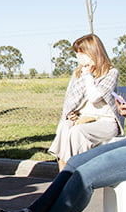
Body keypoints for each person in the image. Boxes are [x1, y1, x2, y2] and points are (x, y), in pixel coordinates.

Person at [48, 34, 120, 170]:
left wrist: (88, 75)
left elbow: (94, 97)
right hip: (83, 119)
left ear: (92, 52)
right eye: (77, 54)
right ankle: (63, 174)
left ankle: (74, 174)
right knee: (65, 126)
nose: (78, 57)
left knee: (77, 131)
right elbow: (71, 100)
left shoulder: (110, 72)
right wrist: (71, 114)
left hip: (105, 122)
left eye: (81, 53)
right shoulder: (78, 74)